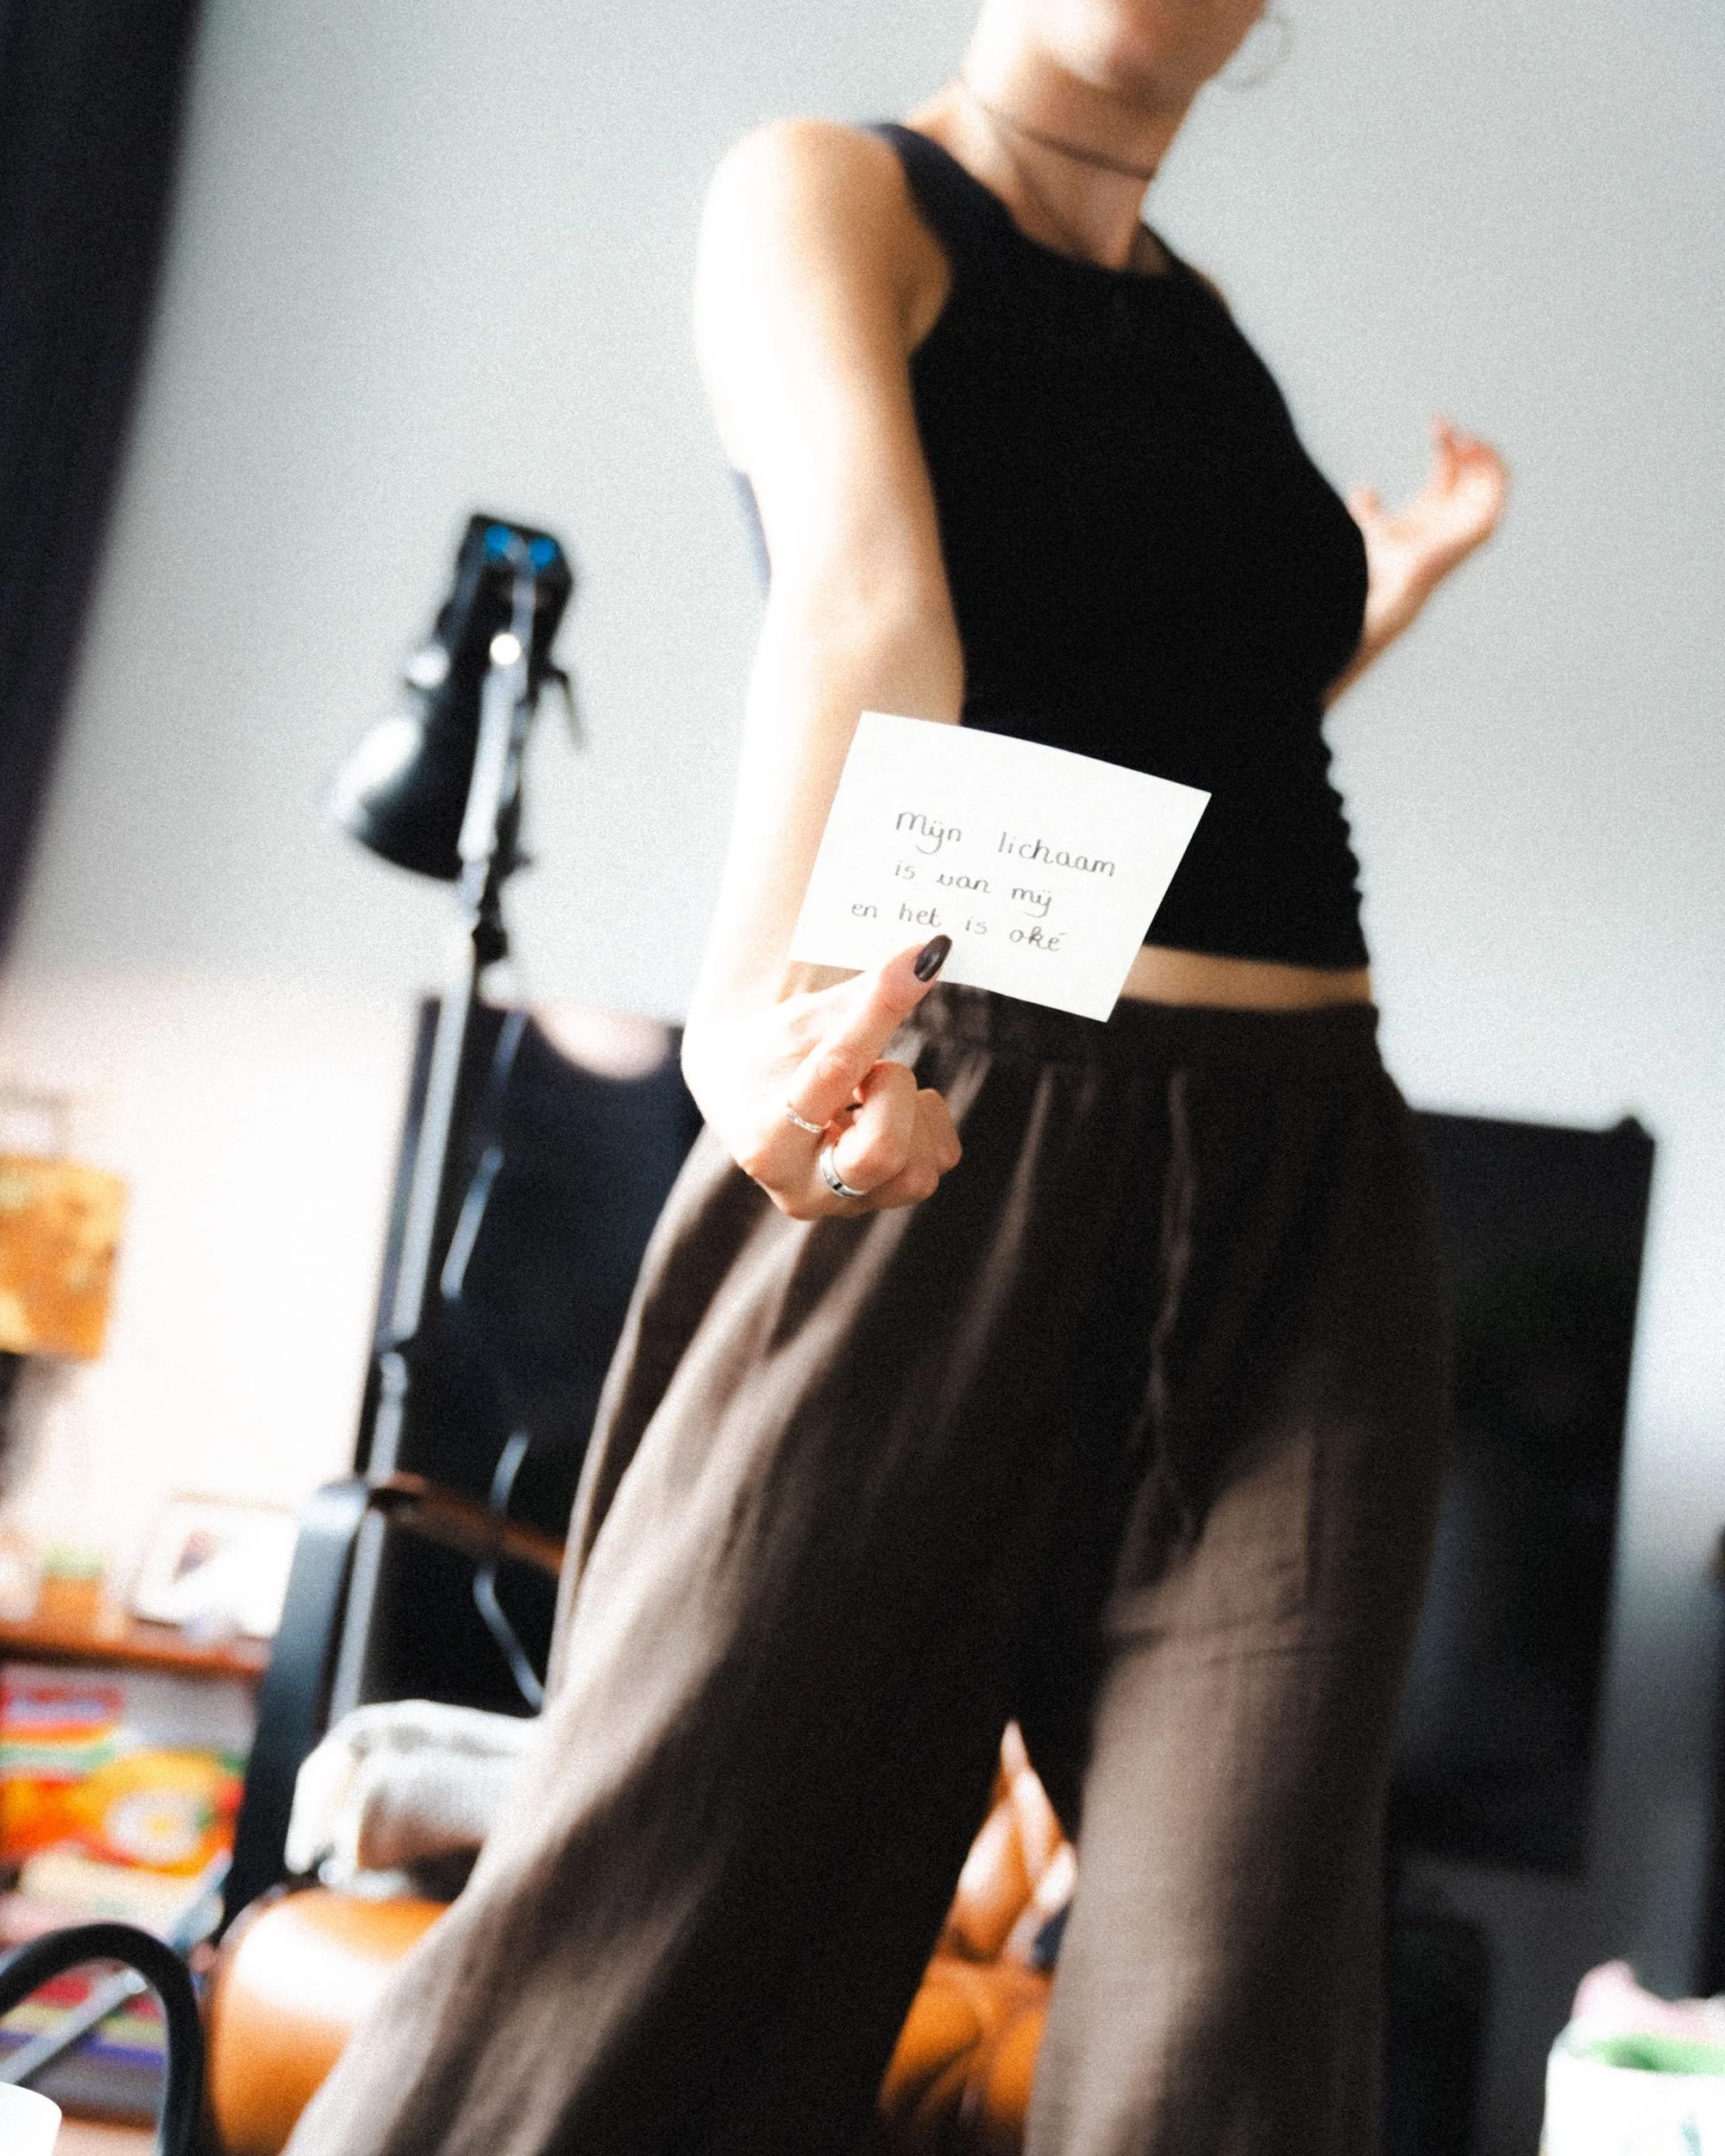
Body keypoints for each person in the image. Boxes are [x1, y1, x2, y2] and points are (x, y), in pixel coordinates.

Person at [288, 1, 1508, 2151]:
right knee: (650, 1922)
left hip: (1309, 1198)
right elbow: (870, 606)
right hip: (942, 1115)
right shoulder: (833, 193)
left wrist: (1365, 593)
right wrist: (759, 1013)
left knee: (1221, 2034)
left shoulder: (1200, 326)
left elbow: (1165, 696)